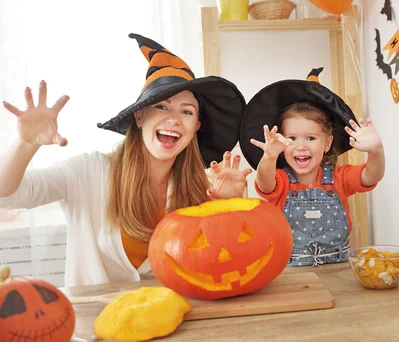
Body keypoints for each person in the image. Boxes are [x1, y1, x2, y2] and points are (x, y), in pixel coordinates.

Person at [0, 33, 252, 287]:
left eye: (186, 111)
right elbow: (7, 195)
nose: (174, 119)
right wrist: (26, 144)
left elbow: (222, 267)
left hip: (173, 317)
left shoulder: (201, 189)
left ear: (195, 126)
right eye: (162, 107)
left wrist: (228, 208)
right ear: (140, 118)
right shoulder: (89, 172)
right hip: (94, 322)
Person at [238, 72, 385, 267]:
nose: (301, 146)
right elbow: (265, 183)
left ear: (327, 143)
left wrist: (376, 151)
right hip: (290, 271)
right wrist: (269, 156)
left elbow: (371, 175)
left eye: (311, 138)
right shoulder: (281, 180)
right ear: (282, 142)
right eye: (292, 138)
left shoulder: (339, 177)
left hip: (338, 268)